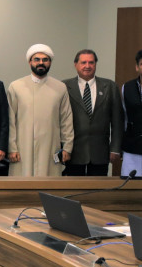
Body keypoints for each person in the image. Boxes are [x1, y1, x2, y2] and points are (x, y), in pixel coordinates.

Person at [7, 44, 74, 177]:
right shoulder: (16, 86)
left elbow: (66, 119)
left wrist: (67, 147)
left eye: (45, 59)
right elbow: (10, 121)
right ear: (30, 62)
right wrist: (12, 148)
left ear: (50, 62)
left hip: (50, 147)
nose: (41, 63)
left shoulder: (60, 88)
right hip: (22, 147)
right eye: (37, 59)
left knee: (49, 183)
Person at [61, 50, 123, 176]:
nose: (87, 66)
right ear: (75, 64)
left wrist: (115, 149)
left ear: (95, 64)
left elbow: (118, 121)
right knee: (73, 191)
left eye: (91, 62)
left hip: (100, 152)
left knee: (98, 192)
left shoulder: (110, 86)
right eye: (83, 62)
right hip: (72, 152)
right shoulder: (64, 86)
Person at [121, 49, 142, 177]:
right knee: (130, 189)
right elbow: (124, 117)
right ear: (137, 67)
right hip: (132, 148)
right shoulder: (127, 87)